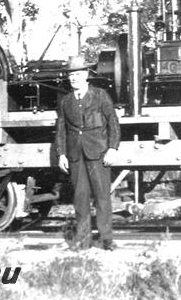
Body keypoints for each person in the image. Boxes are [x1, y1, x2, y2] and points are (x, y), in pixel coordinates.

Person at [55, 55, 121, 250]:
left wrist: (112, 148)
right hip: (75, 155)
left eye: (77, 74)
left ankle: (105, 240)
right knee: (80, 197)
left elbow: (113, 122)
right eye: (71, 75)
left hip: (98, 152)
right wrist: (61, 154)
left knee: (102, 197)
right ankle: (82, 240)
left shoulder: (100, 95)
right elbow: (61, 129)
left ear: (86, 75)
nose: (73, 78)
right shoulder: (66, 101)